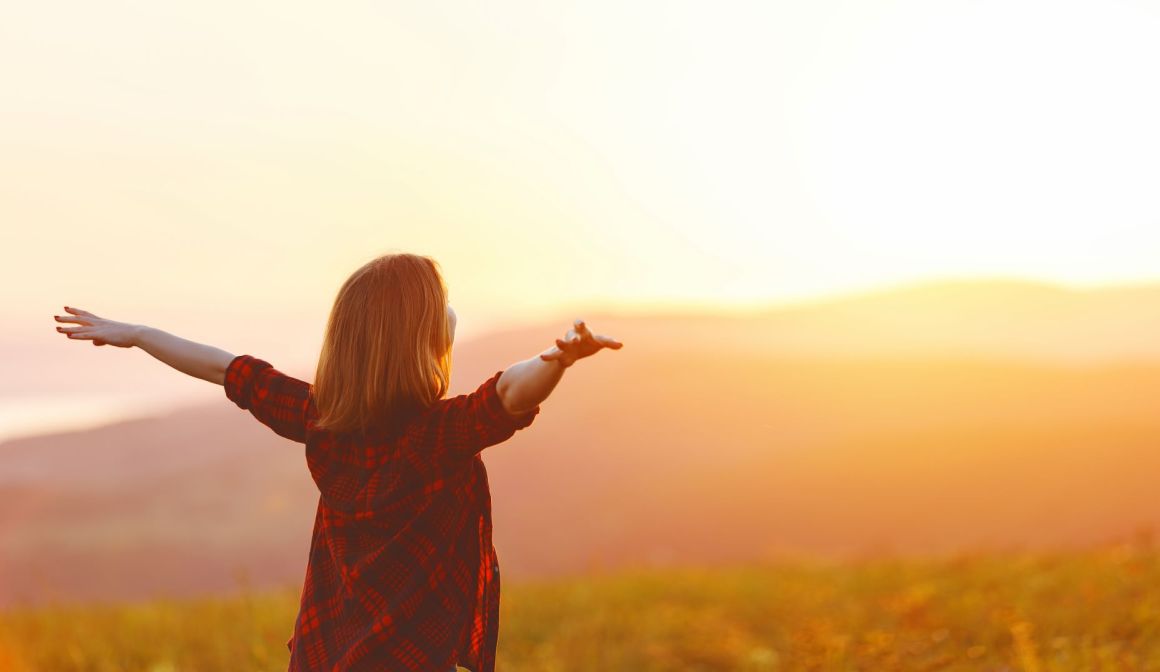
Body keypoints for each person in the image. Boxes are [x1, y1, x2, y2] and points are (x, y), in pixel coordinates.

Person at [53, 252, 623, 672]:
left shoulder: (321, 420)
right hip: (410, 657)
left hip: (325, 652)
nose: (452, 315)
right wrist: (557, 359)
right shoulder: (437, 436)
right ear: (423, 342)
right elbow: (509, 393)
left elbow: (225, 369)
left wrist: (140, 334)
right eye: (441, 310)